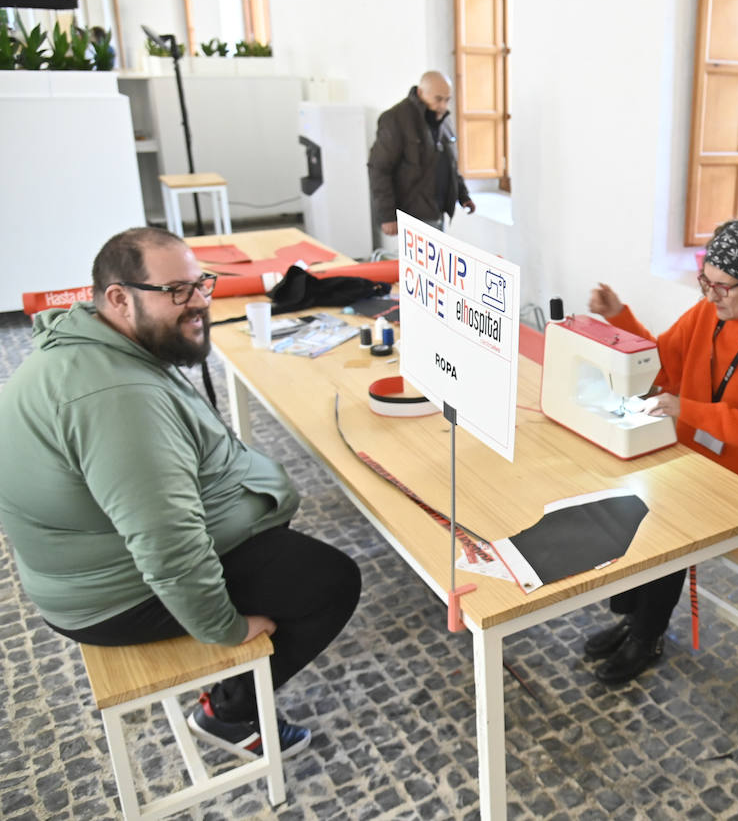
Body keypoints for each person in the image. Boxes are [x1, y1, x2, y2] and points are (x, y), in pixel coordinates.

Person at [0, 227, 362, 760]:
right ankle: (230, 714)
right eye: (176, 291)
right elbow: (167, 546)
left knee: (284, 552)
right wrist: (226, 628)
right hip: (113, 594)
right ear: (119, 298)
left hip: (83, 565)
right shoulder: (119, 397)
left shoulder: (91, 347)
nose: (197, 304)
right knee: (333, 582)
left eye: (201, 285)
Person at [583, 218, 738, 684]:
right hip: (703, 461)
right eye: (704, 282)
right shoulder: (707, 314)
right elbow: (661, 361)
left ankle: (647, 637)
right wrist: (619, 316)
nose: (711, 295)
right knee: (632, 496)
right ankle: (633, 618)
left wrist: (688, 410)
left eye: (723, 287)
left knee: (669, 524)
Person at [369, 70, 475, 237]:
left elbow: (449, 164)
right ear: (420, 92)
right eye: (438, 99)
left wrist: (463, 195)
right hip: (410, 215)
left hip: (436, 212)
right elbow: (379, 168)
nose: (443, 106)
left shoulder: (444, 121)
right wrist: (387, 216)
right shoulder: (396, 119)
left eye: (447, 100)